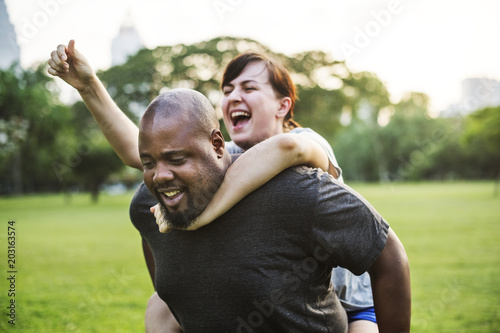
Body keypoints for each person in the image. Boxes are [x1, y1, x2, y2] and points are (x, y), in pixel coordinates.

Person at [47, 41, 376, 331]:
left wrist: (198, 218)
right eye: (228, 89)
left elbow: (285, 150)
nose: (234, 96)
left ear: (283, 106)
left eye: (249, 88)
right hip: (277, 298)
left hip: (349, 304)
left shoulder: (306, 140)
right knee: (158, 309)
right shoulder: (227, 153)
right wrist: (89, 86)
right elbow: (140, 151)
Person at [138, 88, 410, 331]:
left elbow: (388, 254)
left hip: (347, 311)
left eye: (177, 159)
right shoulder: (149, 206)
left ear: (218, 145)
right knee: (157, 308)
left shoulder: (295, 191)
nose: (160, 176)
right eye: (148, 163)